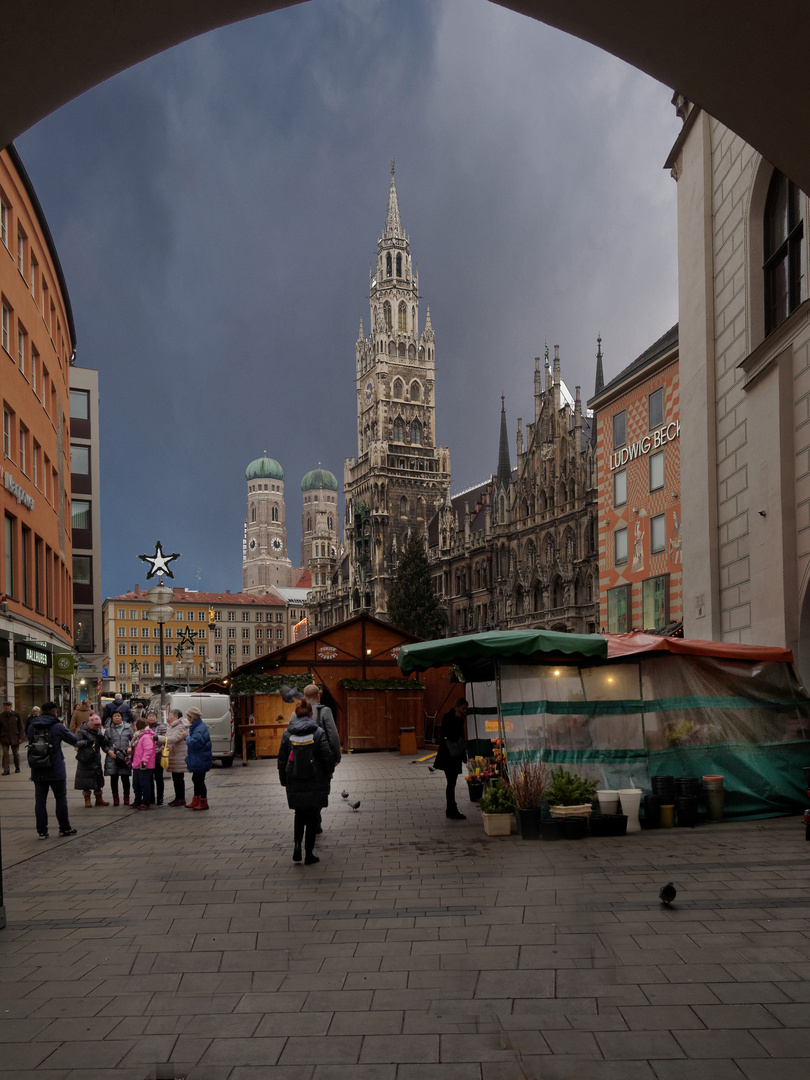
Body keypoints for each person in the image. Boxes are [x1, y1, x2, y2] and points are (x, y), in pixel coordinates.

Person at [277, 700, 334, 865]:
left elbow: (281, 760)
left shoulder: (288, 734)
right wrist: (327, 775)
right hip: (315, 781)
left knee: (299, 815)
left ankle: (296, 846)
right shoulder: (319, 732)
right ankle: (309, 854)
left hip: (294, 780)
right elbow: (326, 756)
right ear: (311, 715)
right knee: (311, 817)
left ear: (295, 715)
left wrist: (284, 780)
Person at [27, 701, 79, 838]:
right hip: (55, 768)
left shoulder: (33, 726)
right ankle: (64, 828)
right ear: (54, 712)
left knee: (40, 801)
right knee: (60, 798)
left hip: (38, 768)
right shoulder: (57, 726)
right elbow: (74, 740)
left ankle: (42, 831)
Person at [302, 684, 340, 834]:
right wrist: (336, 756)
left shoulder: (296, 712)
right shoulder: (325, 711)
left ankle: (310, 820)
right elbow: (333, 735)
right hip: (320, 760)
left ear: (304, 696)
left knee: (307, 790)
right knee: (321, 789)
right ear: (319, 695)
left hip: (303, 760)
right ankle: (315, 820)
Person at [433, 698, 469, 820]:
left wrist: (464, 757)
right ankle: (452, 809)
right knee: (451, 783)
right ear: (458, 707)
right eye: (464, 708)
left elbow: (461, 738)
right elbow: (452, 736)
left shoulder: (459, 719)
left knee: (451, 783)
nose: (465, 711)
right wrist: (459, 720)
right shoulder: (449, 717)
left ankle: (451, 809)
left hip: (455, 756)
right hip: (448, 756)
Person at [75, 713, 113, 807]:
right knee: (85, 780)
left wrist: (104, 739)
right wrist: (86, 742)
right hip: (85, 758)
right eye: (95, 725)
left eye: (98, 725)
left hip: (96, 758)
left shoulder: (98, 732)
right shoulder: (82, 732)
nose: (97, 727)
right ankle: (87, 800)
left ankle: (99, 799)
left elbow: (104, 743)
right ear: (90, 724)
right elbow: (76, 742)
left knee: (97, 778)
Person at [185, 706, 212, 810]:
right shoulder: (198, 726)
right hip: (199, 757)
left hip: (201, 758)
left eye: (188, 716)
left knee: (199, 780)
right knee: (196, 779)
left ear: (193, 717)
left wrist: (186, 736)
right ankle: (196, 800)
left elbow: (194, 743)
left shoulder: (199, 729)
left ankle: (203, 802)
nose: (187, 718)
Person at [104, 710, 133, 805]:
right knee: (114, 778)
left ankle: (126, 798)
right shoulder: (108, 730)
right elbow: (104, 744)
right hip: (113, 756)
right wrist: (108, 751)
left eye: (119, 716)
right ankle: (115, 798)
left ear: (122, 717)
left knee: (125, 778)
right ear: (112, 718)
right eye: (115, 716)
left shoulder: (128, 728)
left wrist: (130, 748)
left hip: (124, 756)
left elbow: (134, 740)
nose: (117, 717)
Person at [164, 708, 190, 806]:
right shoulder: (172, 726)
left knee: (179, 778)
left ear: (176, 717)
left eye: (170, 715)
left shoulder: (180, 726)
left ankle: (181, 799)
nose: (169, 717)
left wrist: (159, 739)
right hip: (174, 756)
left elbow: (174, 738)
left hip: (178, 756)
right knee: (176, 778)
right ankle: (177, 798)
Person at [130, 718, 156, 809]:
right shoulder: (138, 736)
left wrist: (144, 761)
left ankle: (145, 802)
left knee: (144, 784)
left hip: (144, 765)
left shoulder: (146, 736)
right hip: (137, 764)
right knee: (136, 784)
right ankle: (137, 801)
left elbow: (148, 750)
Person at [145, 710, 167, 805]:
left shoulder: (161, 727)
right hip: (148, 757)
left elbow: (165, 740)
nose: (151, 718)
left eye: (153, 716)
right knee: (149, 778)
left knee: (159, 778)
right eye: (149, 716)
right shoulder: (145, 727)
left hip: (158, 756)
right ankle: (151, 797)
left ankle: (160, 798)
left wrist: (158, 749)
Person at [1, 700, 24, 774]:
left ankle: (17, 767)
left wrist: (21, 737)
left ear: (11, 706)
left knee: (15, 754)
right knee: (5, 754)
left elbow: (20, 727)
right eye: (5, 706)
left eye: (8, 706)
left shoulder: (16, 715)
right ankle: (6, 769)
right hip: (4, 738)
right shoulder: (1, 716)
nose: (6, 707)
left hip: (15, 737)